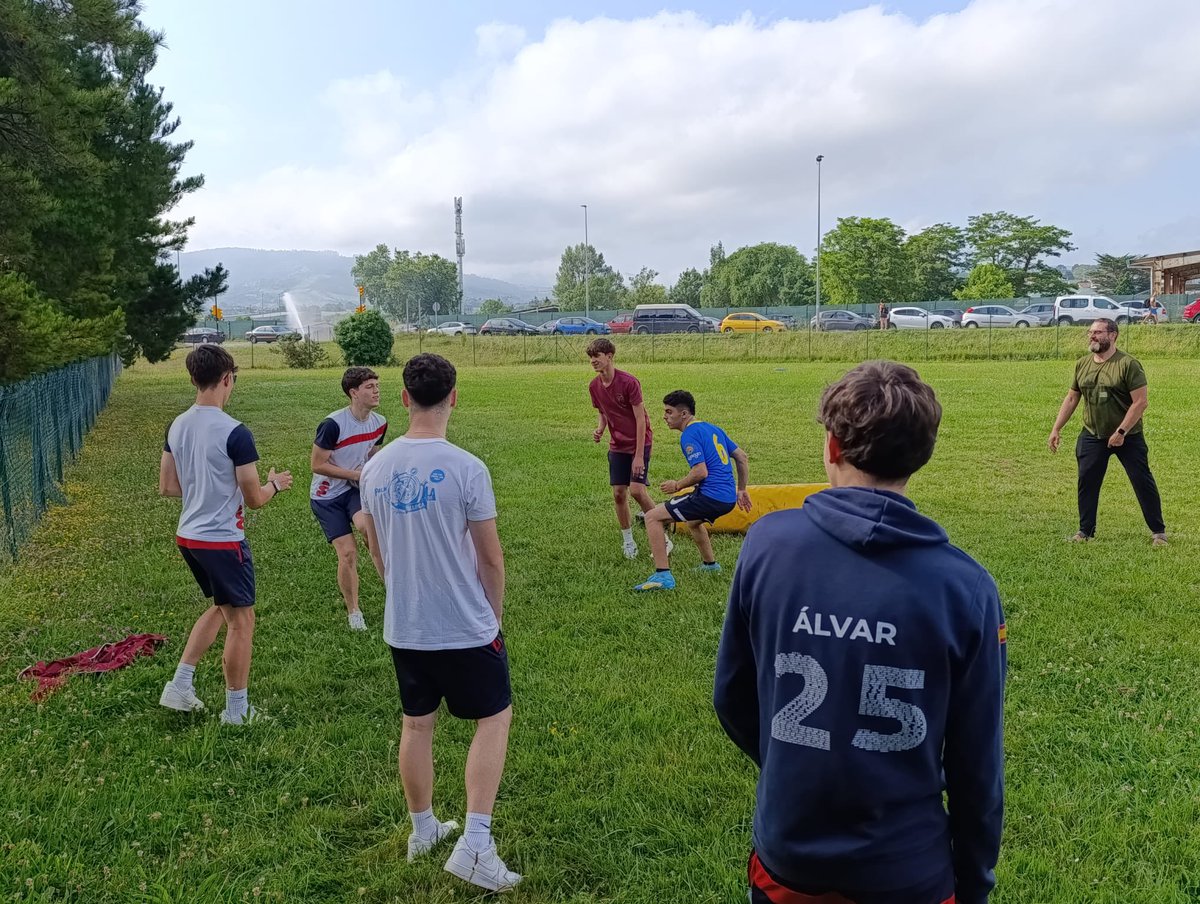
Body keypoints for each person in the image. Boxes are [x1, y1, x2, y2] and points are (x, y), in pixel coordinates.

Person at [714, 361, 1006, 904]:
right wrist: (975, 882)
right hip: (906, 869)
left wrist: (802, 766)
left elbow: (731, 694)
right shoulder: (966, 588)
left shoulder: (767, 544)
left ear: (831, 446)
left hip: (789, 854)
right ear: (923, 455)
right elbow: (976, 769)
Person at [359, 353, 520, 892]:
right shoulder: (467, 467)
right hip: (463, 624)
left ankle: (422, 829)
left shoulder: (374, 468)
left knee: (416, 724)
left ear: (404, 398)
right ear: (454, 397)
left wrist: (398, 593)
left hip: (406, 625)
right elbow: (491, 559)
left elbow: (376, 548)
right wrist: (491, 618)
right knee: (493, 719)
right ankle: (475, 843)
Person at [158, 345, 293, 725]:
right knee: (242, 621)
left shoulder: (177, 425)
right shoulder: (236, 432)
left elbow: (168, 486)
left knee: (222, 606)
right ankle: (236, 711)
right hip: (221, 541)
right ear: (226, 378)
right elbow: (255, 499)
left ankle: (181, 685)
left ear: (192, 378)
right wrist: (276, 485)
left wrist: (205, 487)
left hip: (189, 538)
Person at [1048, 318, 1167, 545]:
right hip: (1092, 434)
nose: (1092, 336)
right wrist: (1056, 428)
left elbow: (1140, 402)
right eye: (1090, 332)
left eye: (1098, 332)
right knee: (1087, 482)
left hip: (1128, 436)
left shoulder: (1128, 364)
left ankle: (1158, 532)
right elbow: (1072, 397)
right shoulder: (1082, 364)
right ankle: (1085, 532)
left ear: (1113, 335)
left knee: (1142, 481)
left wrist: (1121, 431)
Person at [633, 390, 750, 592]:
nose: (665, 416)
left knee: (652, 517)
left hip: (710, 497)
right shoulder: (714, 429)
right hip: (727, 498)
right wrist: (741, 490)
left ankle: (663, 576)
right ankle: (710, 565)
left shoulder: (689, 434)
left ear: (684, 414)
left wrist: (677, 485)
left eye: (669, 412)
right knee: (694, 522)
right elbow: (742, 457)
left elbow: (700, 472)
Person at [309, 366, 387, 631]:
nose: (376, 390)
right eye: (369, 387)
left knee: (371, 532)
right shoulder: (333, 424)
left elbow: (373, 457)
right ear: (353, 393)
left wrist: (373, 476)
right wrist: (354, 473)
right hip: (326, 497)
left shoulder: (380, 423)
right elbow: (317, 465)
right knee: (348, 553)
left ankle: (395, 594)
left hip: (354, 490)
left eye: (377, 385)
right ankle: (354, 611)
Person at [586, 338, 666, 559]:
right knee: (619, 494)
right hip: (617, 445)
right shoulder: (594, 386)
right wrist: (600, 429)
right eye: (591, 357)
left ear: (609, 356)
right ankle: (628, 541)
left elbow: (641, 420)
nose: (593, 361)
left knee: (638, 491)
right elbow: (602, 412)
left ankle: (665, 540)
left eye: (597, 356)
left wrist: (639, 455)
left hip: (639, 442)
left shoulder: (629, 382)